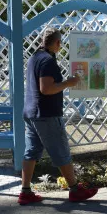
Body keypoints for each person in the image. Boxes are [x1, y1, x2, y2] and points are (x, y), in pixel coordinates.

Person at [18, 27, 99, 204]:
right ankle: (75, 190)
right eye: (60, 42)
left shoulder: (34, 58)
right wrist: (69, 83)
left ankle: (25, 191)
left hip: (31, 113)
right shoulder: (48, 61)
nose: (60, 46)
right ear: (57, 42)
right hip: (46, 114)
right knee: (61, 151)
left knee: (31, 152)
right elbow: (46, 89)